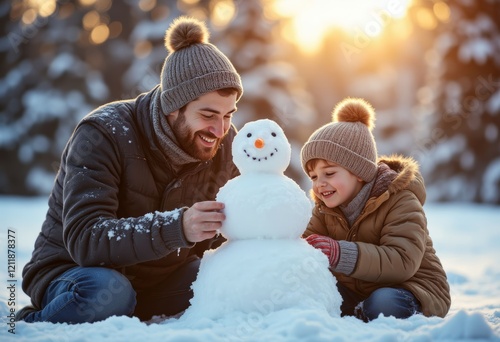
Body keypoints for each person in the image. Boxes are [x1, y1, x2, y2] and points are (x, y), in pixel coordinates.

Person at [17, 16, 243, 324]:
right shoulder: (104, 133)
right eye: (208, 115)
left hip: (159, 281)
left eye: (228, 115)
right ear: (173, 107)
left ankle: (132, 312)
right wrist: (180, 226)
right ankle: (35, 324)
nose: (219, 130)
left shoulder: (226, 144)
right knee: (108, 291)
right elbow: (86, 240)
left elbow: (239, 226)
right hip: (77, 274)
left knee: (230, 277)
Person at [300, 97, 451, 322]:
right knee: (311, 296)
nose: (319, 183)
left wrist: (340, 253)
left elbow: (402, 261)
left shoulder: (400, 200)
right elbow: (303, 243)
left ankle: (367, 312)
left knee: (384, 304)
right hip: (358, 290)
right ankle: (357, 311)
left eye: (329, 173)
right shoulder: (324, 210)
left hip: (409, 287)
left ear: (359, 172)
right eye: (313, 177)